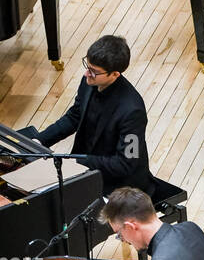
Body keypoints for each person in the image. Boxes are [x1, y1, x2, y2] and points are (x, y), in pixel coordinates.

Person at [26, 35, 153, 193]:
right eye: (87, 66)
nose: (87, 73)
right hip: (84, 167)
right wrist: (39, 141)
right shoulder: (90, 82)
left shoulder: (132, 111)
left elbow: (125, 164)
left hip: (118, 185)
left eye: (93, 71)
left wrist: (78, 162)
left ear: (114, 74)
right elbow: (74, 116)